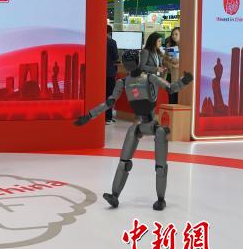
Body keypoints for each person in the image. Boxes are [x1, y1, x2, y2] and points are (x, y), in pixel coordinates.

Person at [74, 49, 193, 210]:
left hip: (153, 123)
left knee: (160, 166)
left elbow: (171, 88)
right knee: (124, 162)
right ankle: (114, 196)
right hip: (138, 124)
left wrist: (184, 81)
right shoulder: (123, 82)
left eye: (130, 63)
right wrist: (89, 116)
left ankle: (160, 199)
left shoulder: (149, 78)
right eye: (127, 63)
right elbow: (110, 102)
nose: (129, 66)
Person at [163, 27, 180, 104]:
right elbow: (164, 61)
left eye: (176, 34)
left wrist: (179, 65)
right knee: (172, 99)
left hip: (181, 77)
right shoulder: (169, 45)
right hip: (171, 76)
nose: (174, 36)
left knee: (180, 100)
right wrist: (171, 65)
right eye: (172, 34)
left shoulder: (186, 46)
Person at [106, 25, 119, 124]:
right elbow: (115, 57)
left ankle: (101, 117)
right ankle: (108, 117)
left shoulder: (96, 41)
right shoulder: (112, 42)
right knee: (109, 95)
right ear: (110, 33)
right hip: (109, 73)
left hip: (99, 74)